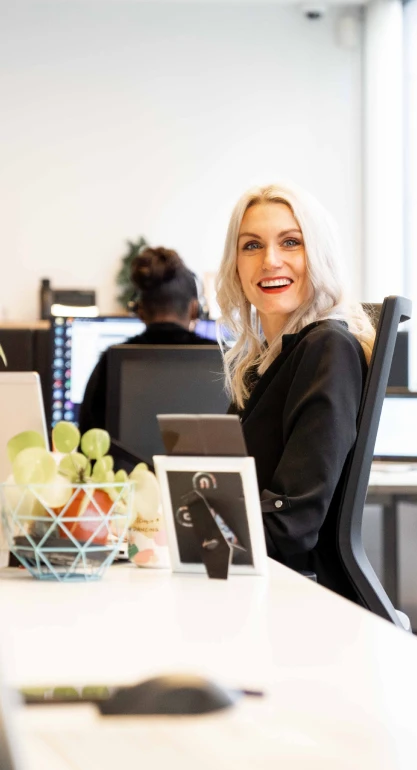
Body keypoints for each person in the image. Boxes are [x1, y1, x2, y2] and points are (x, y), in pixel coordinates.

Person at [217, 183, 374, 600]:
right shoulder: (260, 365)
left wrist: (196, 539)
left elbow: (292, 523)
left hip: (300, 601)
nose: (270, 260)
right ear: (236, 266)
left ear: (318, 255)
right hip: (257, 584)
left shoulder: (327, 348)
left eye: (291, 242)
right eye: (252, 245)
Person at [77, 247, 214, 435]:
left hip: (125, 457)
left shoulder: (110, 362)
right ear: (194, 310)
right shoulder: (225, 360)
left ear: (140, 311)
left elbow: (88, 440)